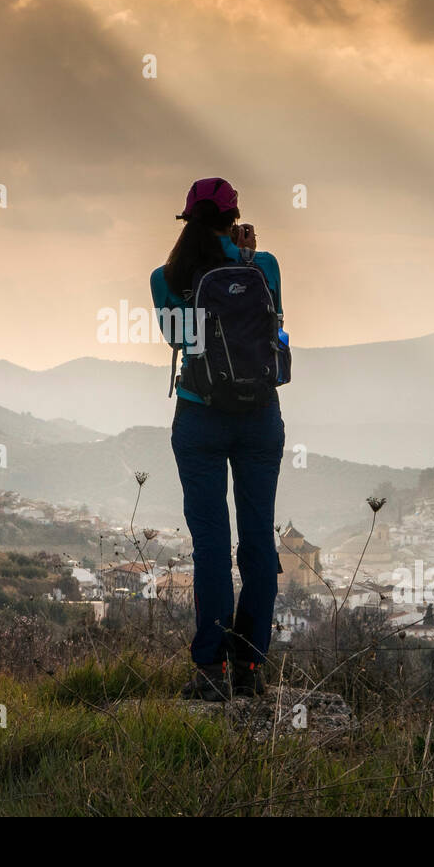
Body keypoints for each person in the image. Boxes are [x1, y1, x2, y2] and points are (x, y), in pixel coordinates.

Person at [150, 178, 286, 701]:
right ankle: (250, 666)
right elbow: (275, 331)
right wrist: (246, 261)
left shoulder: (167, 276)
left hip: (200, 418)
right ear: (235, 219)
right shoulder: (265, 266)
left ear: (188, 220)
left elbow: (179, 338)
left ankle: (211, 671)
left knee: (210, 546)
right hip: (260, 418)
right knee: (258, 542)